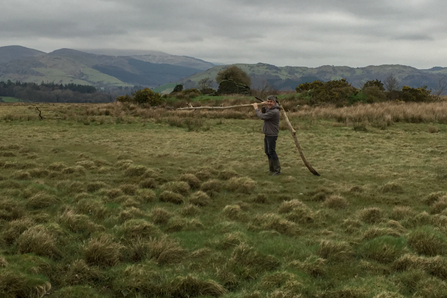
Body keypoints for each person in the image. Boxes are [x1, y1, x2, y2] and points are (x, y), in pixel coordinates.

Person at [252, 95, 281, 176]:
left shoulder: (274, 111)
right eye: (268, 101)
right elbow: (265, 112)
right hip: (267, 133)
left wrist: (256, 108)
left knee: (271, 152)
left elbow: (262, 116)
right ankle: (272, 169)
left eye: (271, 102)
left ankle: (277, 170)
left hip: (272, 134)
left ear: (274, 102)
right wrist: (263, 107)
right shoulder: (271, 109)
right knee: (267, 152)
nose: (269, 103)